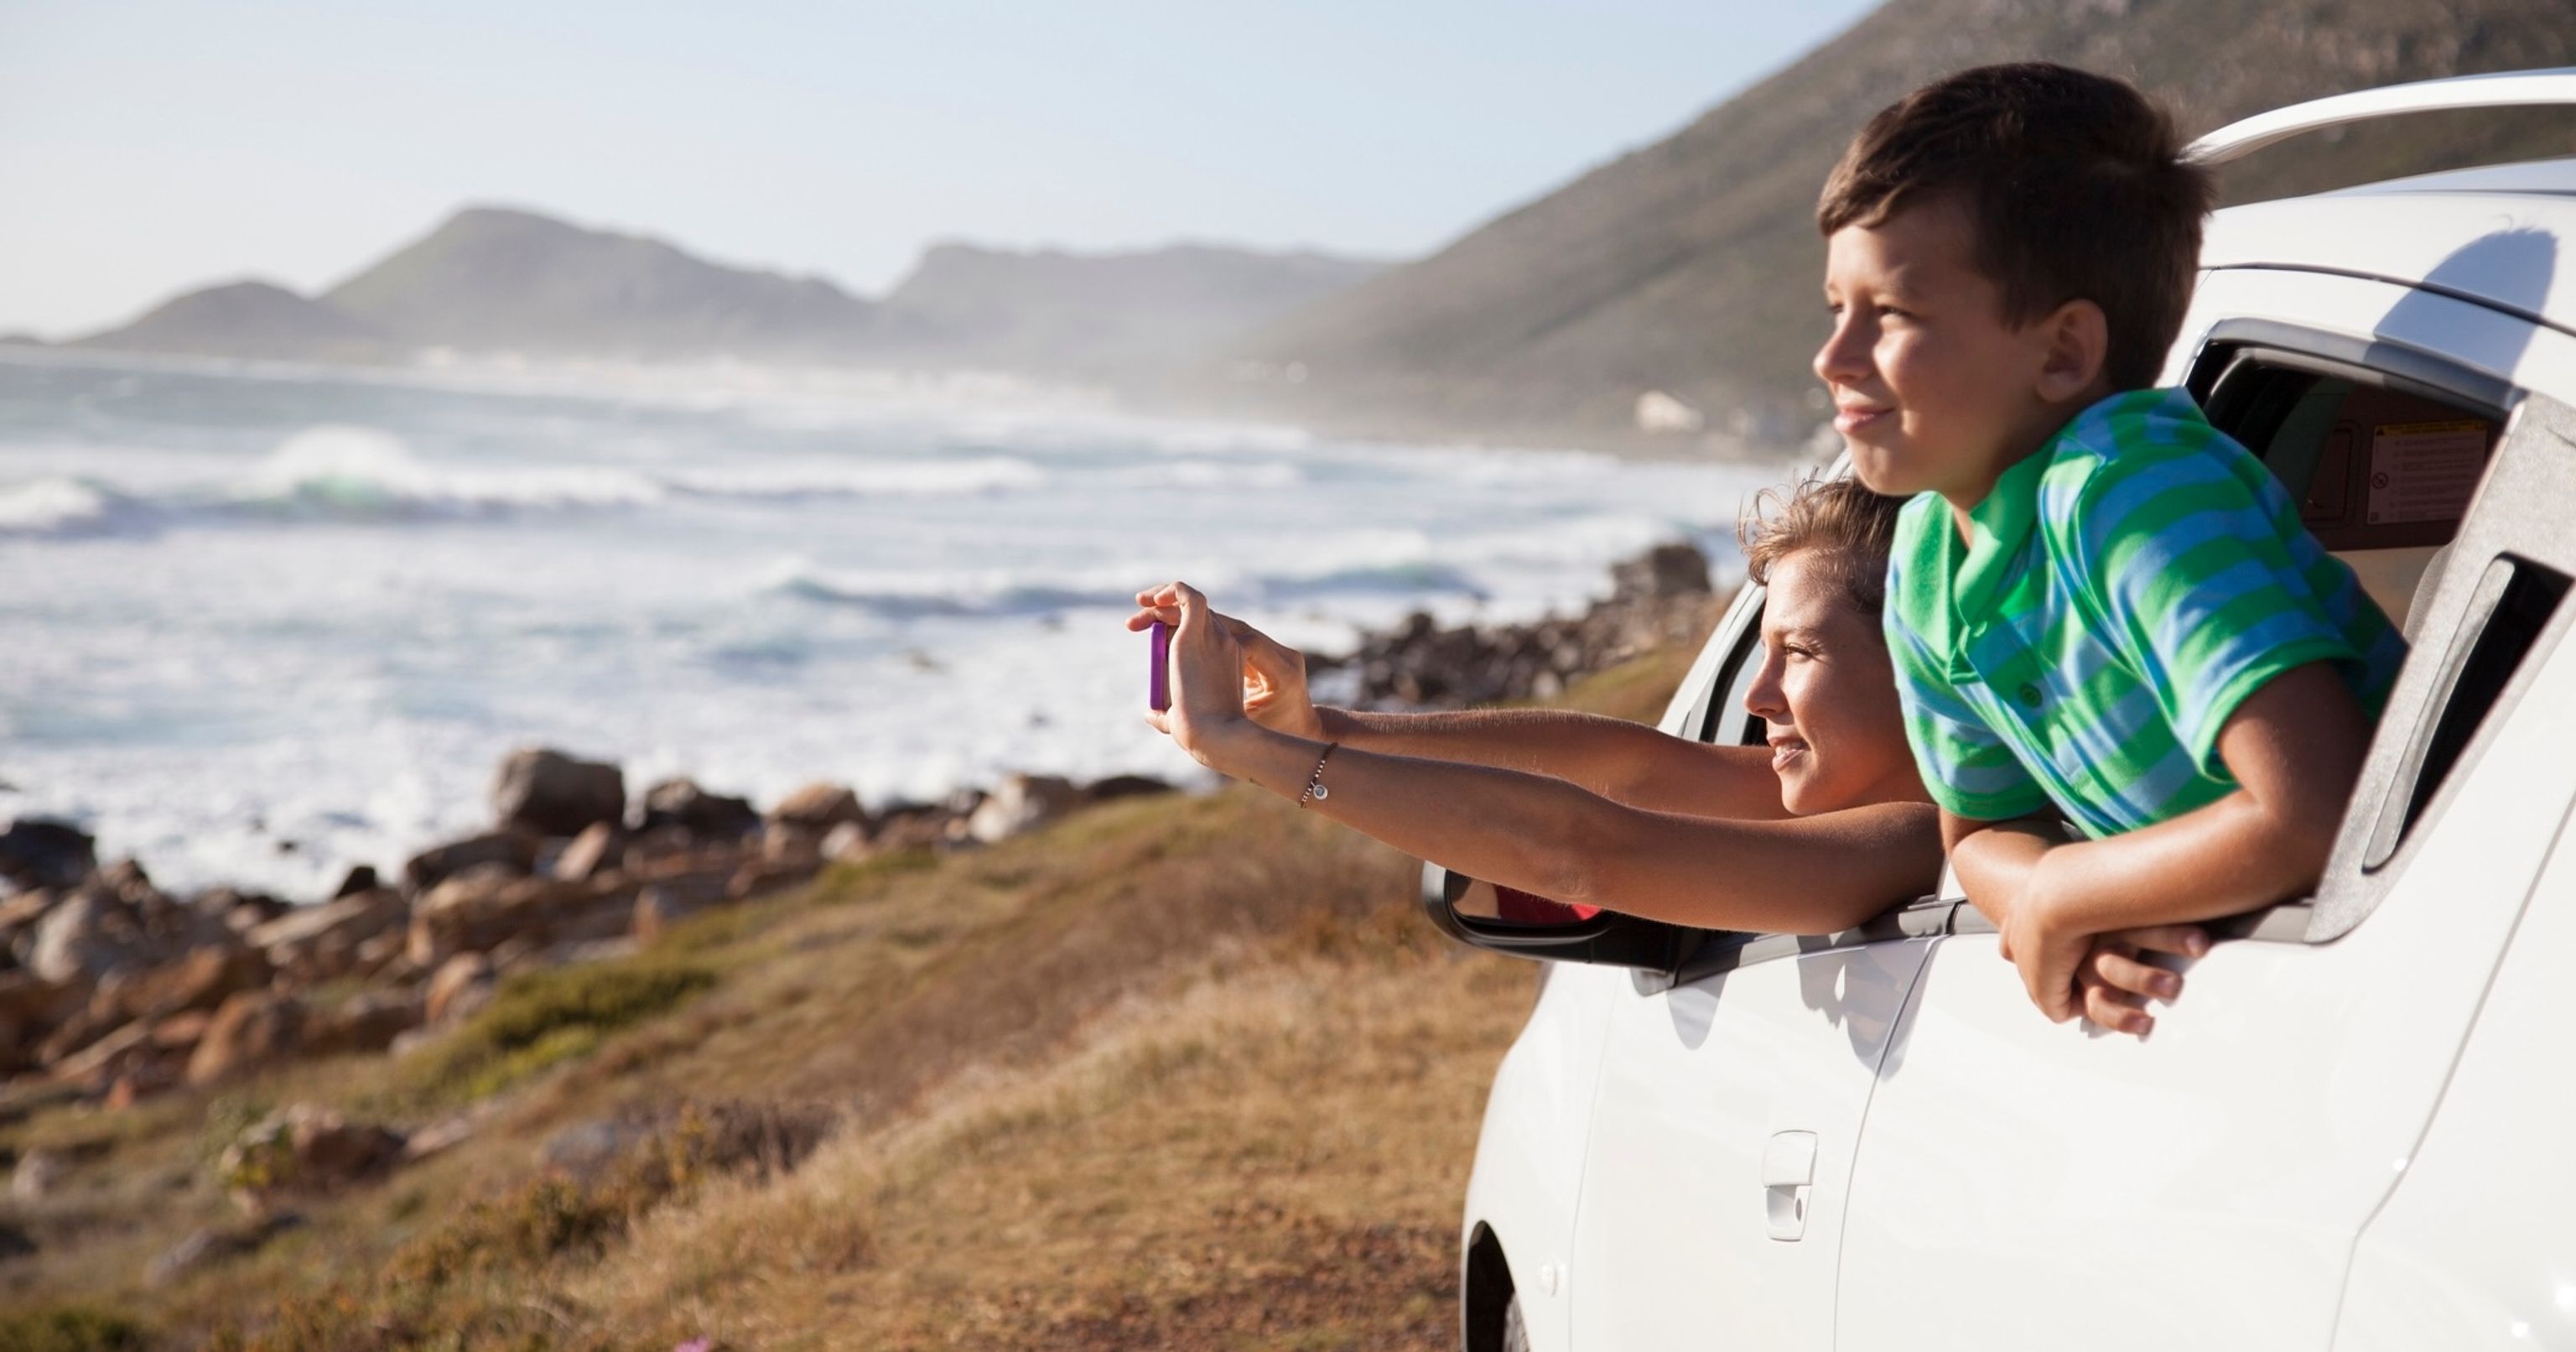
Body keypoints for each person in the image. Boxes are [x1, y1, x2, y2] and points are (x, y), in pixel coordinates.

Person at [1814, 64, 2406, 1032]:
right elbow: (1979, 830)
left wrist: (2070, 893)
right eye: (1835, 307)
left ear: (2062, 353)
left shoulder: (2128, 492)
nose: (1833, 356)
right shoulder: (1927, 554)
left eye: (1893, 314)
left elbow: (2315, 805)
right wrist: (2053, 894)